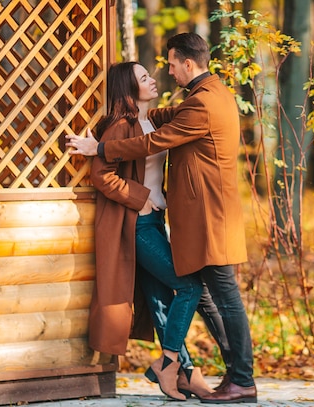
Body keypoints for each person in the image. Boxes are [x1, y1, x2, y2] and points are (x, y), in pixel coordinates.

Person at [66, 32, 257, 404]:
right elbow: (127, 149)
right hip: (153, 222)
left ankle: (228, 375)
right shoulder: (207, 96)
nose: (165, 72)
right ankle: (185, 369)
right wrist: (139, 195)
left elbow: (153, 141)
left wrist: (100, 147)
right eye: (147, 76)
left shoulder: (200, 104)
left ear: (188, 63)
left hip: (206, 218)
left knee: (215, 295)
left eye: (171, 64)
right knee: (176, 294)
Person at [86, 61, 230, 401]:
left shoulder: (153, 120)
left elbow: (188, 112)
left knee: (161, 301)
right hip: (134, 224)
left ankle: (186, 372)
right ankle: (168, 363)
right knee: (189, 285)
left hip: (153, 222)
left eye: (150, 74)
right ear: (128, 88)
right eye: (144, 77)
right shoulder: (120, 126)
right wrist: (142, 199)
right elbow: (101, 175)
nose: (153, 79)